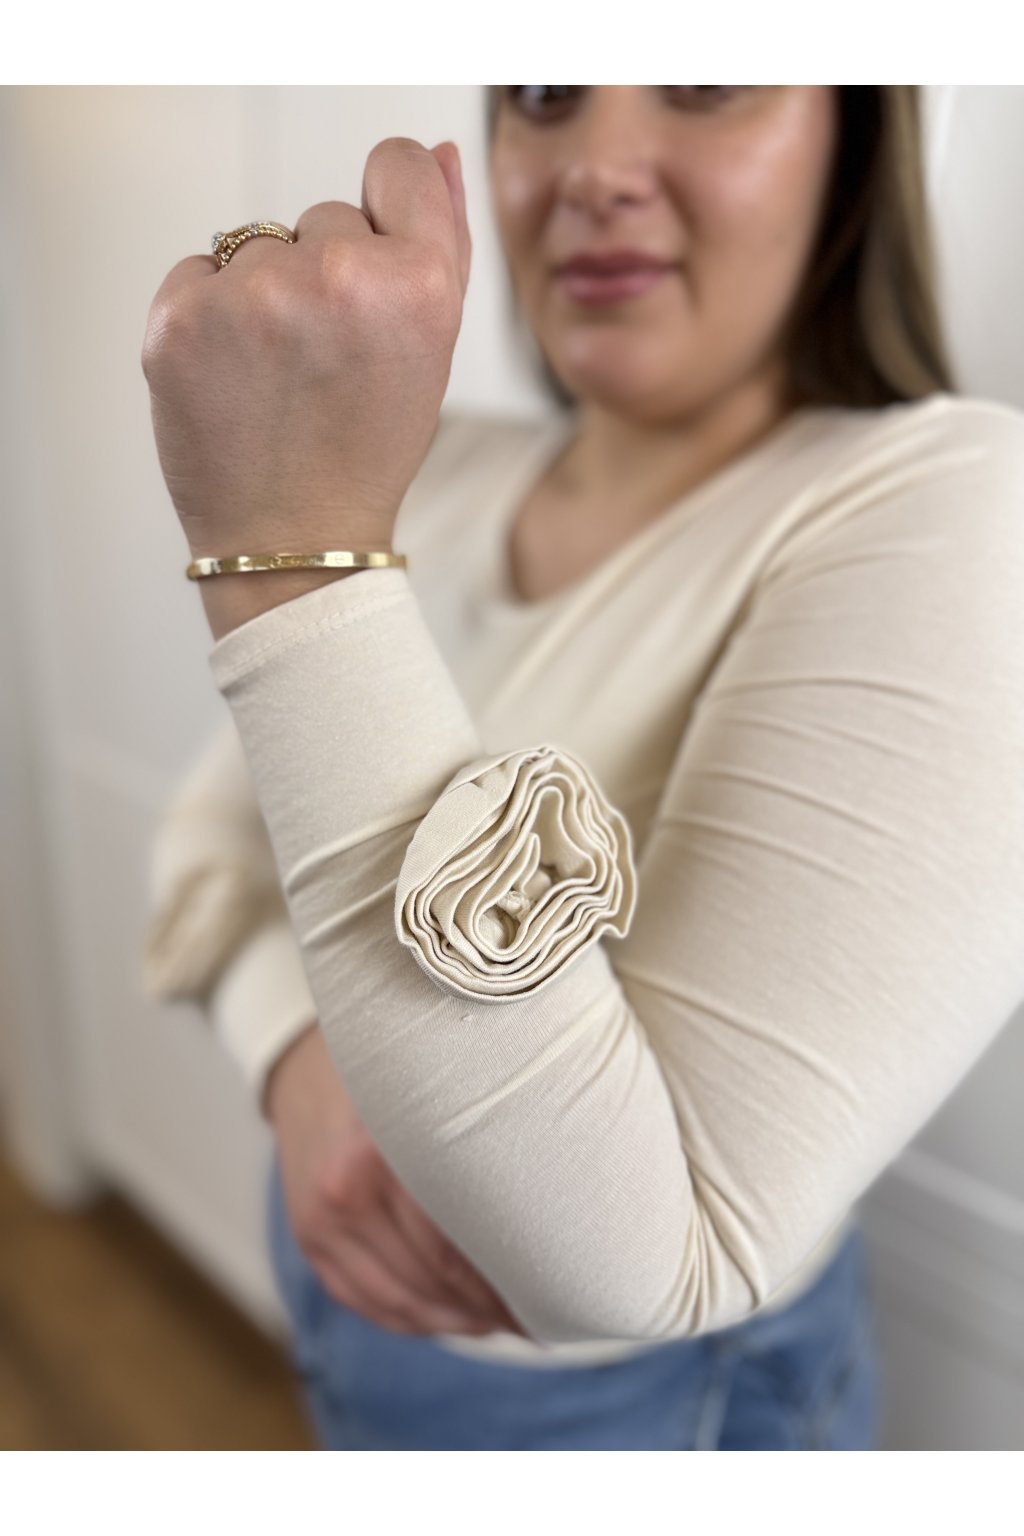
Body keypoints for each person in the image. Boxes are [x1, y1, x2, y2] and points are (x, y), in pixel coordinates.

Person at [141, 86, 1024, 1450]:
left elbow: (652, 1259)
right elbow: (207, 854)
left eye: (705, 78)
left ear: (853, 138)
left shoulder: (950, 507)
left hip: (637, 1409)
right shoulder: (435, 470)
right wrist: (298, 1056)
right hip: (344, 1310)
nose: (596, 169)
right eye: (546, 96)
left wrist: (292, 559)